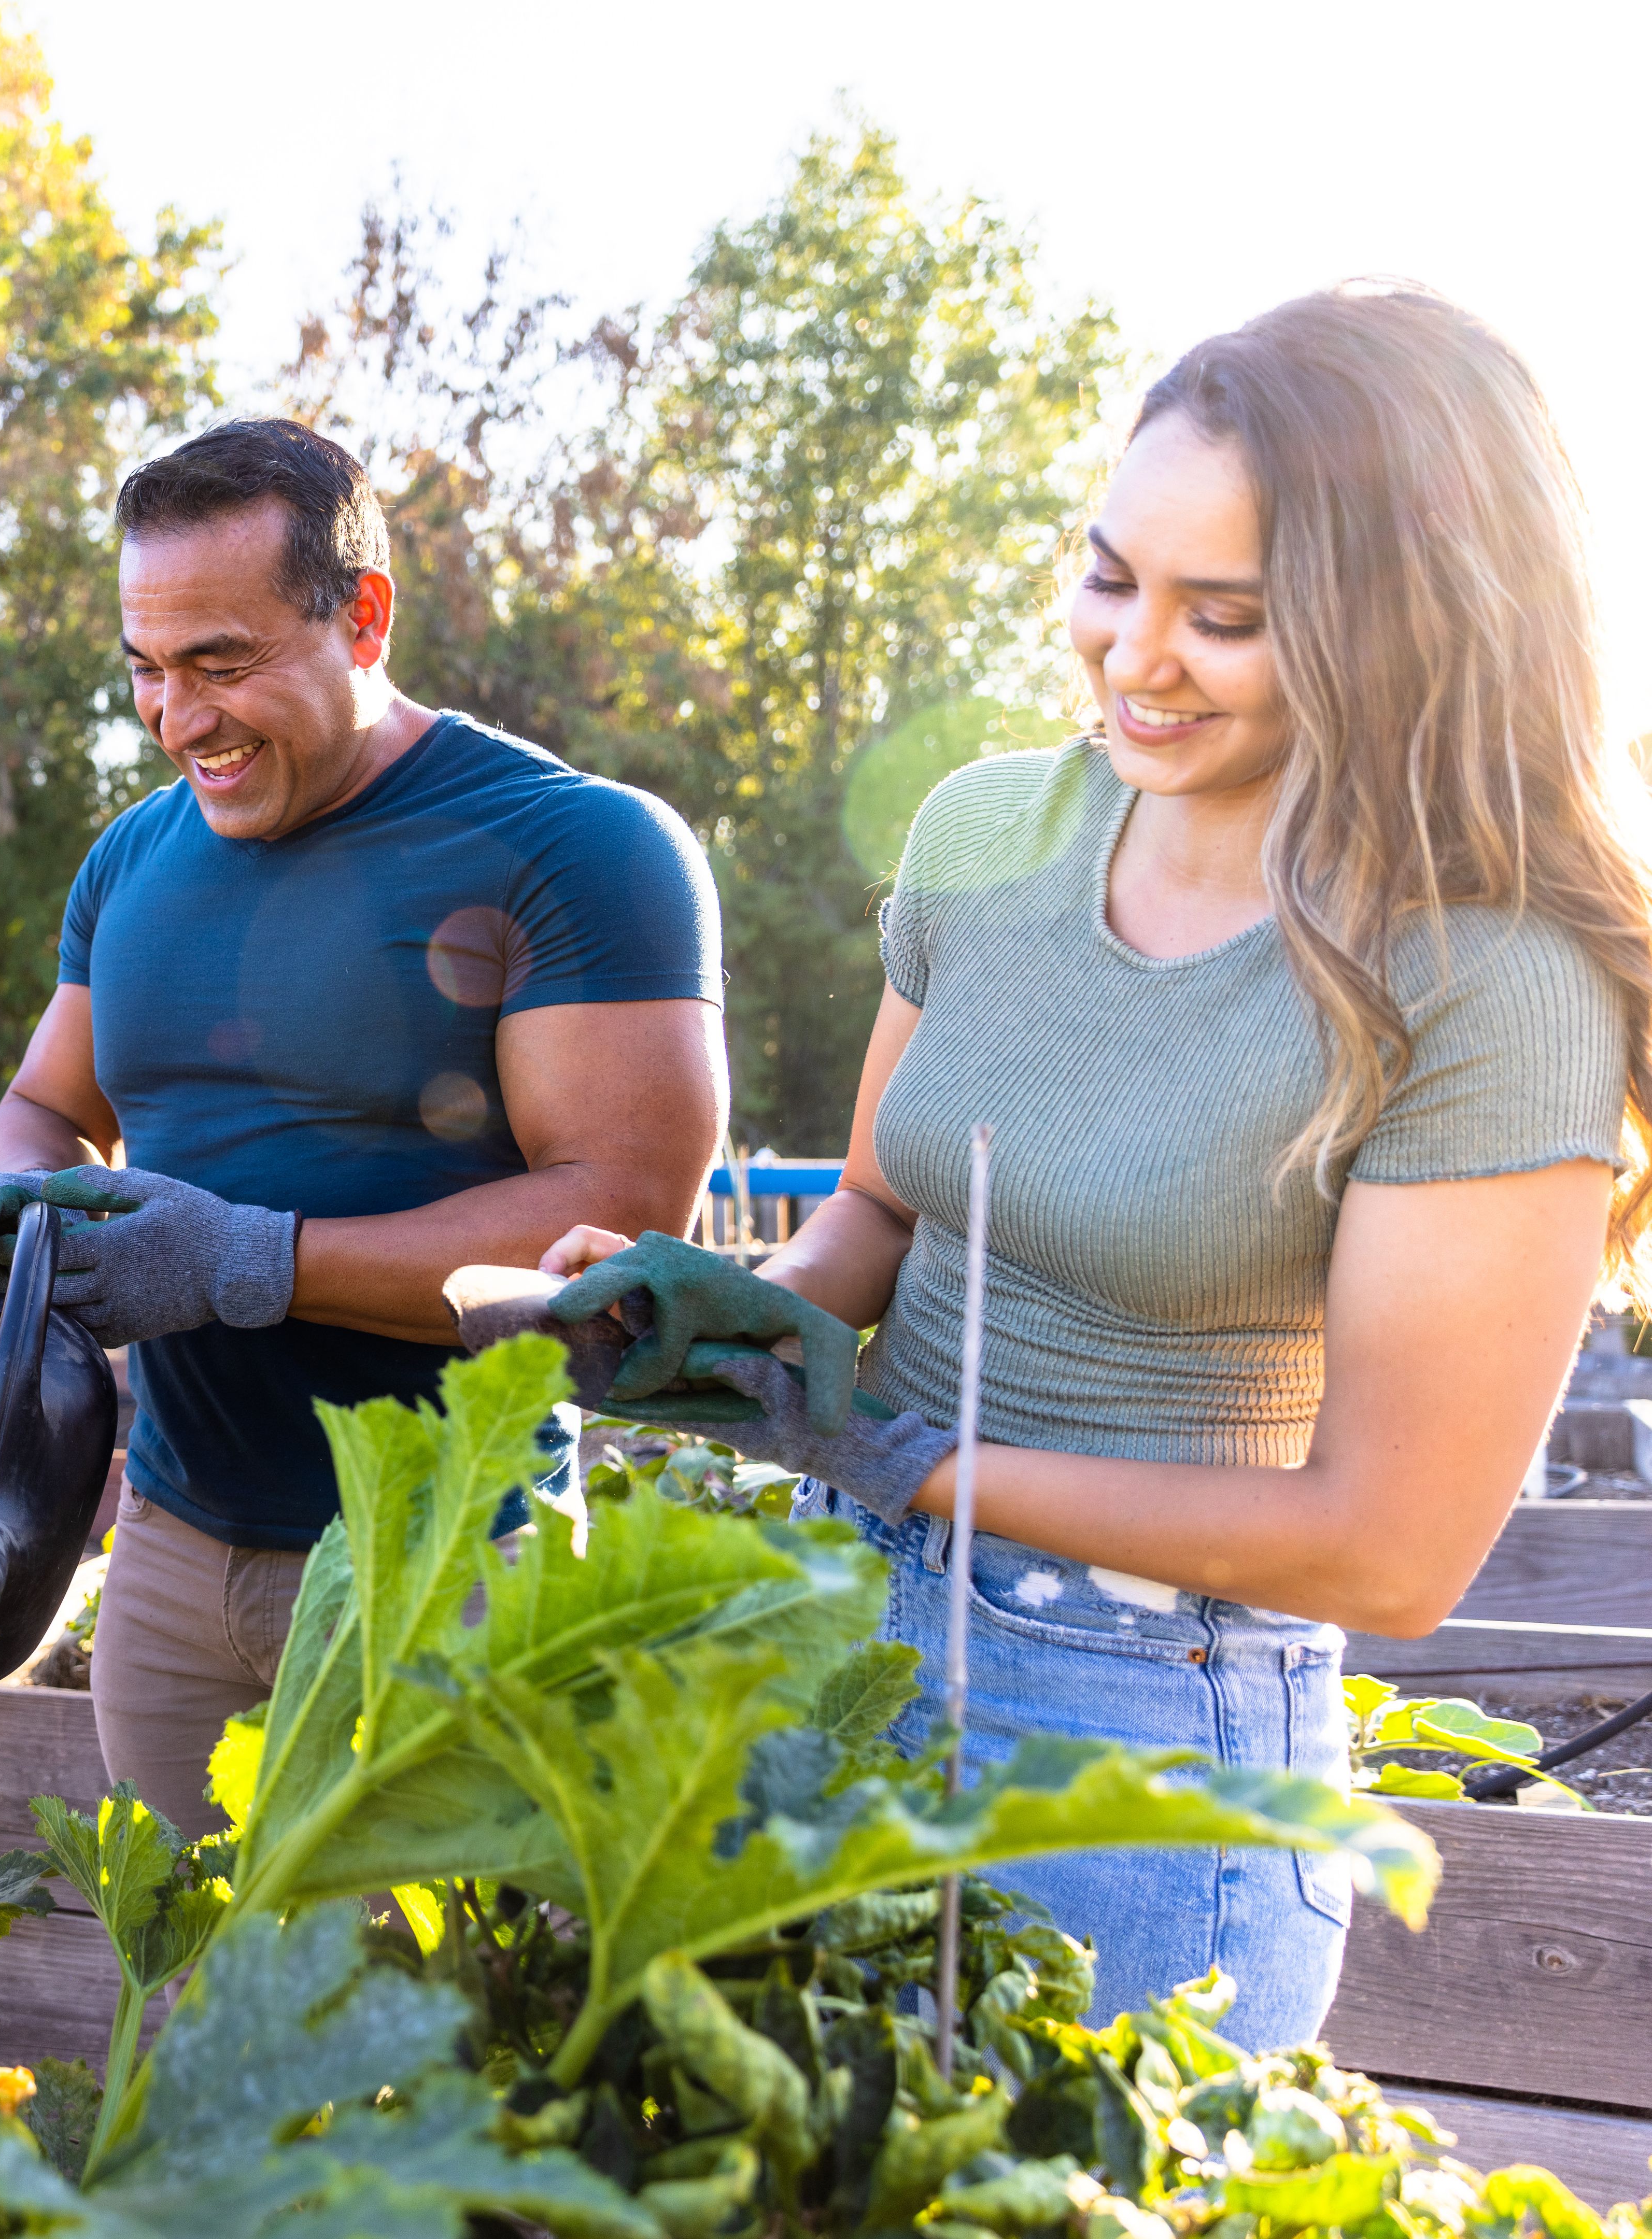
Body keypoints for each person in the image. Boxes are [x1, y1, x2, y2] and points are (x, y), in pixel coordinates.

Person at [538, 286, 1649, 2048]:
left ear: (1405, 630)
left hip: (1135, 1728)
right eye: (1109, 575)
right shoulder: (985, 832)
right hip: (831, 1640)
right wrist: (734, 1320)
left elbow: (1384, 1553)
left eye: (1221, 618)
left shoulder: (1486, 971)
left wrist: (908, 1460)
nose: (1129, 655)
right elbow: (879, 1215)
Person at [0, 418, 727, 1831]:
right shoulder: (130, 860)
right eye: (146, 674)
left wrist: (248, 1260)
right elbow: (48, 1100)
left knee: (431, 2027)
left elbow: (623, 1219)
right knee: (183, 2008)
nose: (179, 721)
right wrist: (18, 1202)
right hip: (165, 1561)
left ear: (363, 614)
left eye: (221, 665)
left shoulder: (576, 848)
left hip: (442, 1562)